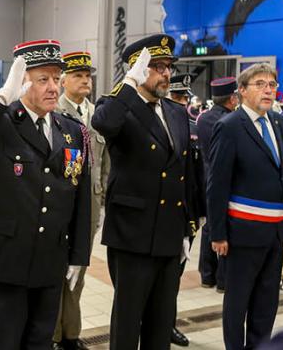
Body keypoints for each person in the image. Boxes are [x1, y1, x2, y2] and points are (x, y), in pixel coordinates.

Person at [0, 40, 93, 350]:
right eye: (43, 79)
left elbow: (80, 196)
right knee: (6, 343)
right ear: (22, 81)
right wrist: (2, 96)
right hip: (4, 258)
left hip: (50, 258)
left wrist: (78, 255)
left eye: (57, 78)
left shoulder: (71, 131)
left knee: (40, 342)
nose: (53, 87)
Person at [92, 34, 196, 350]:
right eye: (157, 67)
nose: (165, 73)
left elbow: (182, 173)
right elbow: (104, 124)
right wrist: (129, 83)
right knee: (127, 322)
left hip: (168, 233)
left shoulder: (176, 112)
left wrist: (186, 228)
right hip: (132, 235)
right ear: (137, 69)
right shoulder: (118, 106)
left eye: (168, 67)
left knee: (161, 322)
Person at [206, 63, 283, 350]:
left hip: (275, 231)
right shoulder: (230, 126)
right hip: (241, 233)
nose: (268, 90)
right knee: (237, 303)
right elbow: (217, 183)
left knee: (267, 303)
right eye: (260, 84)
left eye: (272, 84)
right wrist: (218, 233)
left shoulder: (280, 123)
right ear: (241, 91)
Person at [51, 51, 110, 350]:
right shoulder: (54, 112)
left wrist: (102, 197)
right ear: (63, 81)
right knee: (56, 271)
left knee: (79, 271)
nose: (85, 80)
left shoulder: (97, 116)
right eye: (78, 75)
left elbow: (106, 162)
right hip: (62, 203)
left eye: (88, 76)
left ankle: (70, 334)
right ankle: (52, 335)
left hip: (90, 205)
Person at [165, 73, 204, 347]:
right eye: (176, 97)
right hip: (160, 214)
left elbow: (197, 174)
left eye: (184, 98)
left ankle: (168, 324)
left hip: (185, 214)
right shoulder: (154, 125)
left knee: (174, 277)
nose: (181, 103)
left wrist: (200, 213)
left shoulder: (192, 127)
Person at [195, 77, 239, 294]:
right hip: (226, 180)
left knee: (209, 226)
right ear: (232, 99)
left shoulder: (203, 118)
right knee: (224, 228)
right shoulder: (231, 121)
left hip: (207, 176)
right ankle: (223, 280)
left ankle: (207, 275)